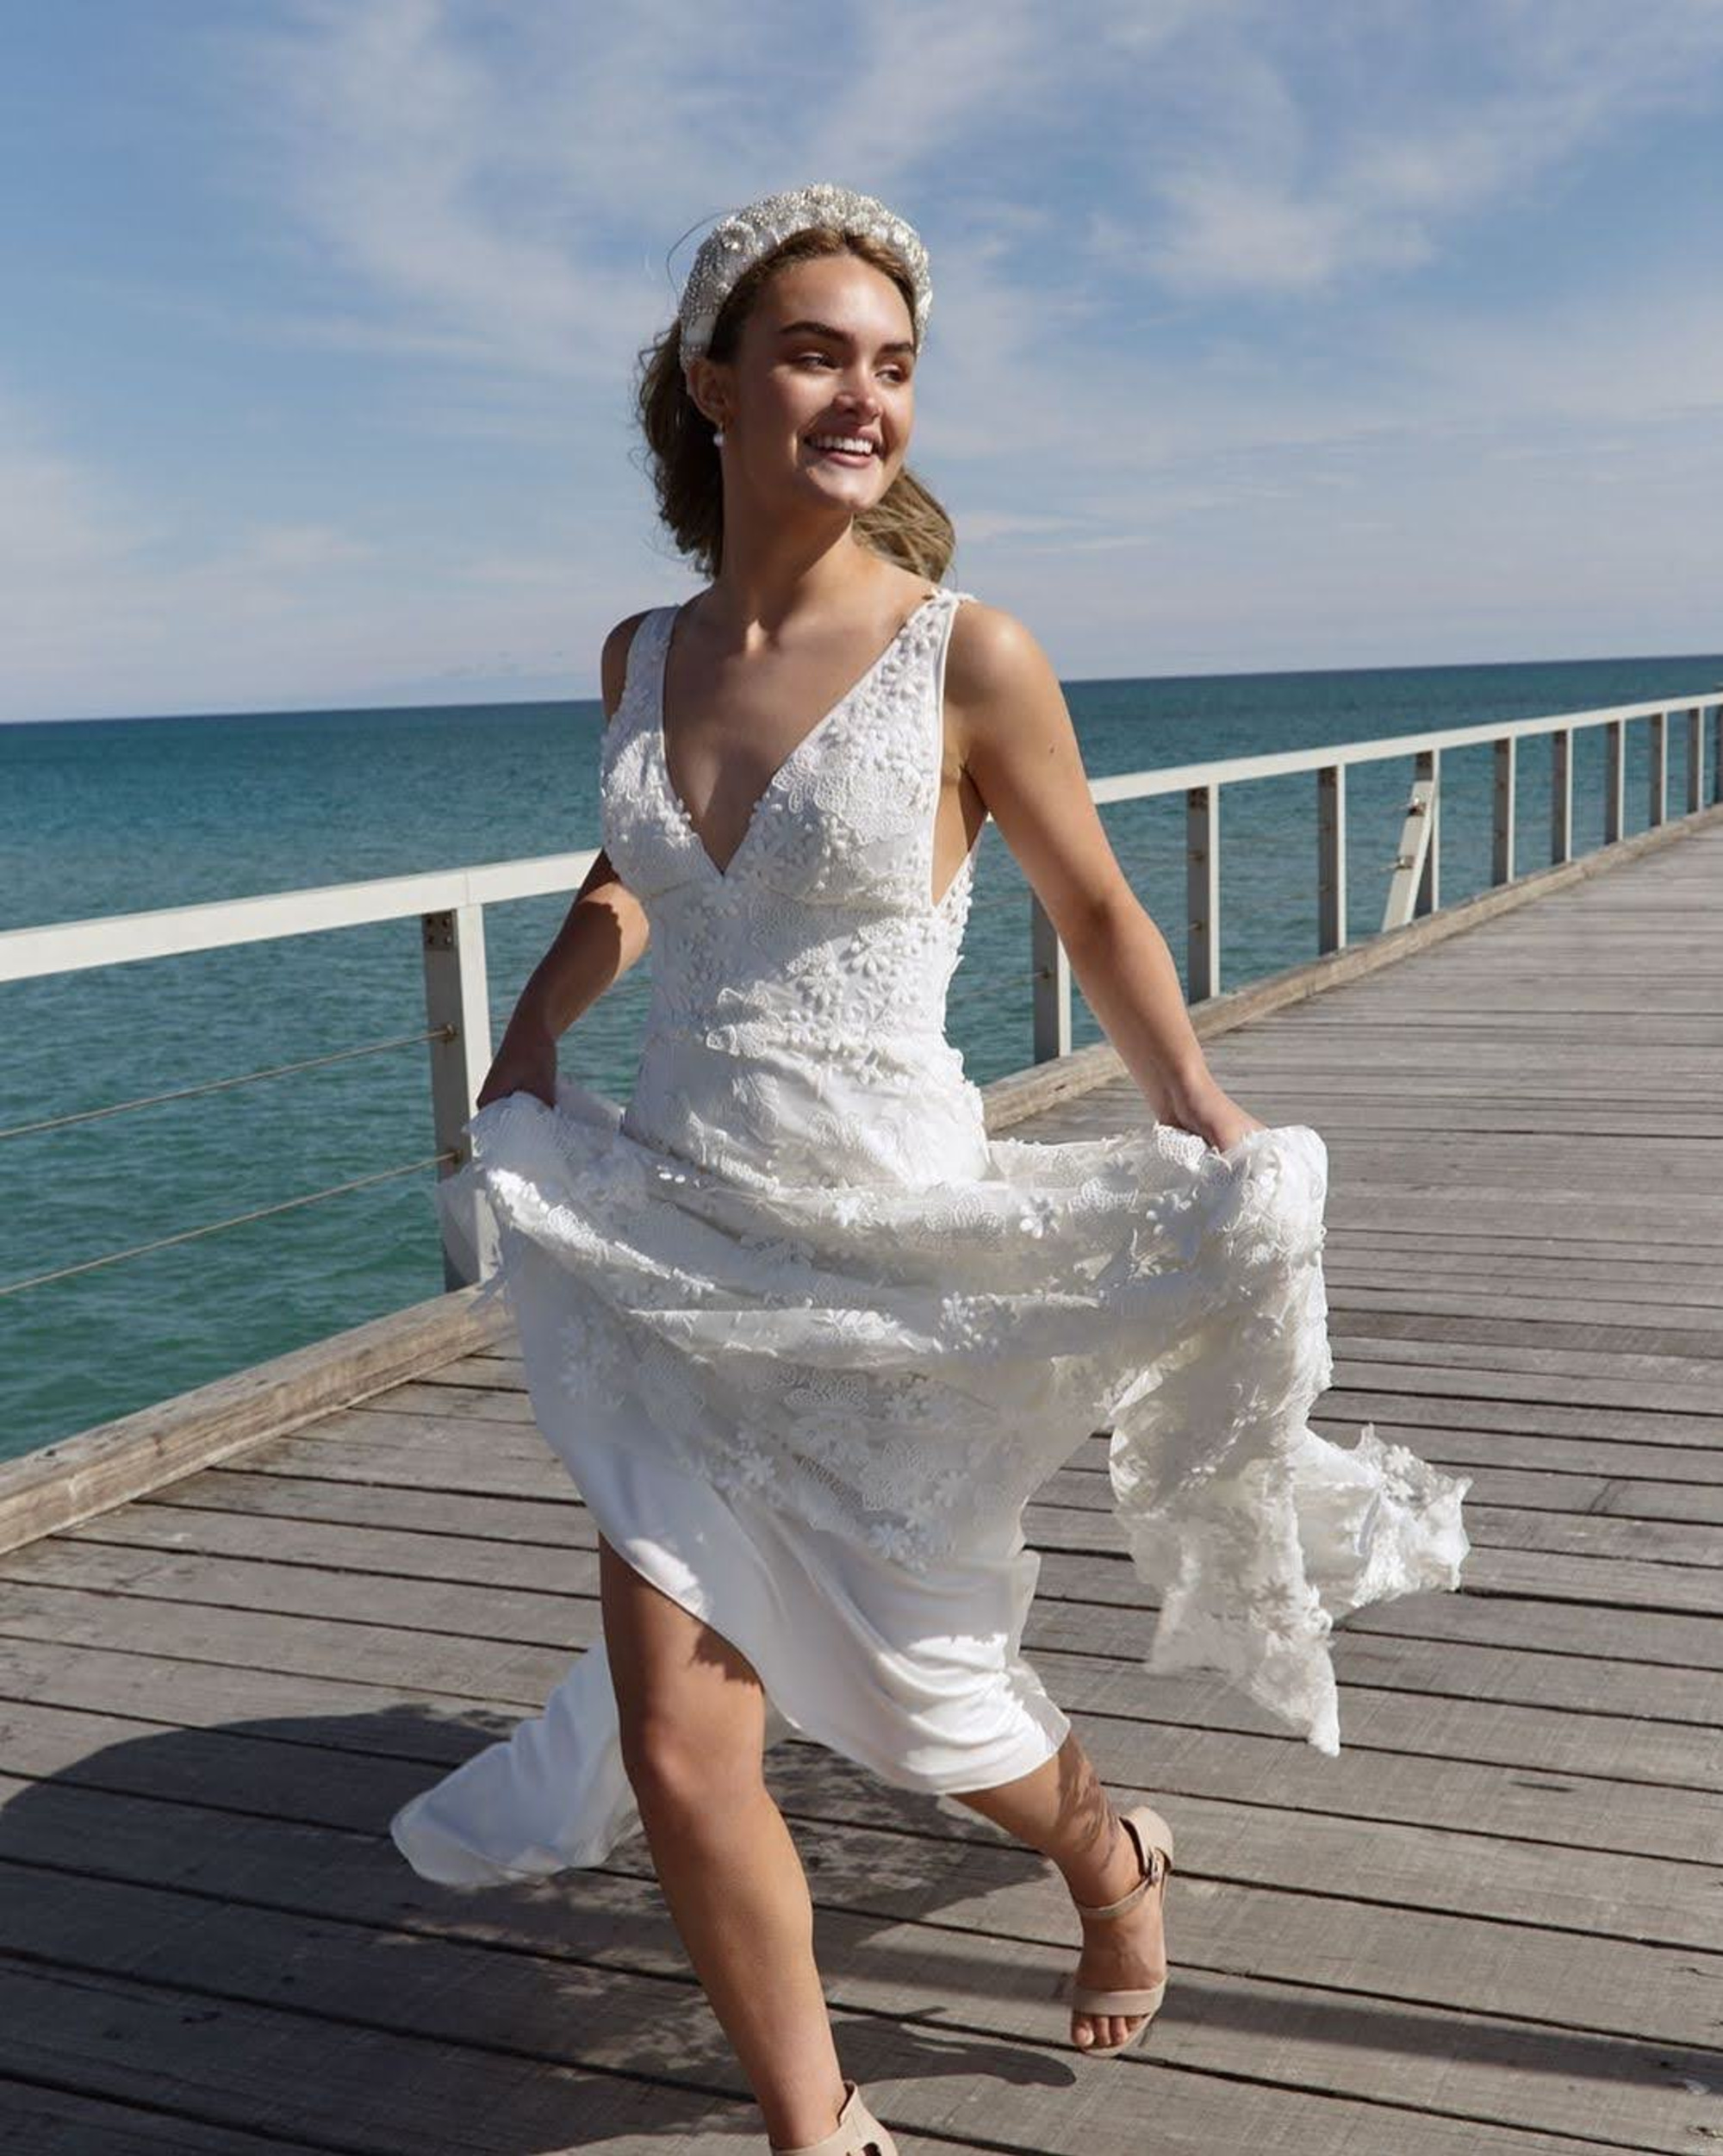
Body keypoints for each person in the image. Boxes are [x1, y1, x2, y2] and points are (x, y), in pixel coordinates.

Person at [389, 182, 1471, 2156]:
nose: (860, 395)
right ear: (710, 382)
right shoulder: (639, 651)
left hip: (888, 1235)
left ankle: (1099, 1843)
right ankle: (825, 2130)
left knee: (926, 1691)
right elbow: (642, 876)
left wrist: (1199, 1119)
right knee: (680, 1733)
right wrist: (530, 1035)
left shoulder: (968, 655)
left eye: (892, 364)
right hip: (675, 1232)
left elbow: (1094, 906)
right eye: (813, 351)